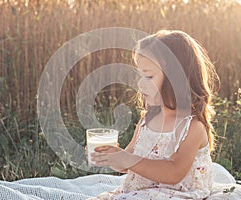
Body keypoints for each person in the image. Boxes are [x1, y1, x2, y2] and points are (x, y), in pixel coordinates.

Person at [88, 30, 220, 200]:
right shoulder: (148, 120)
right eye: (140, 75)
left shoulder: (192, 128)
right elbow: (129, 161)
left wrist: (127, 160)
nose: (140, 83)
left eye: (149, 76)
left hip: (176, 194)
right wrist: (113, 157)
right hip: (142, 191)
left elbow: (174, 173)